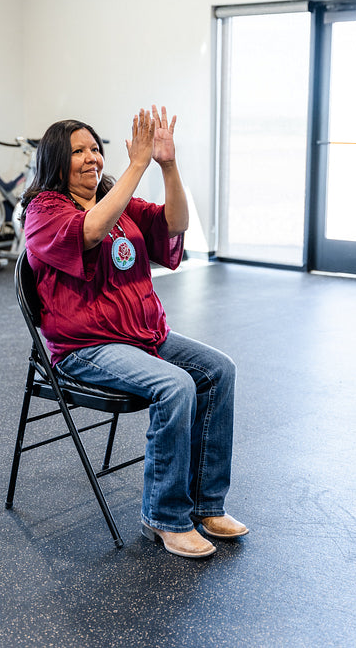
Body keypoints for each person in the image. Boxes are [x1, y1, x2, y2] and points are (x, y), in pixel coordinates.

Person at [21, 105, 248, 558]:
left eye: (95, 148)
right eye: (78, 151)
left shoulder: (118, 204)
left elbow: (176, 224)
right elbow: (89, 231)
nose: (92, 157)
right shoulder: (44, 211)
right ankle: (164, 517)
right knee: (175, 384)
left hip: (142, 335)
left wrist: (167, 164)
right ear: (54, 161)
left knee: (219, 370)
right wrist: (138, 164)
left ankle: (205, 504)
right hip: (85, 347)